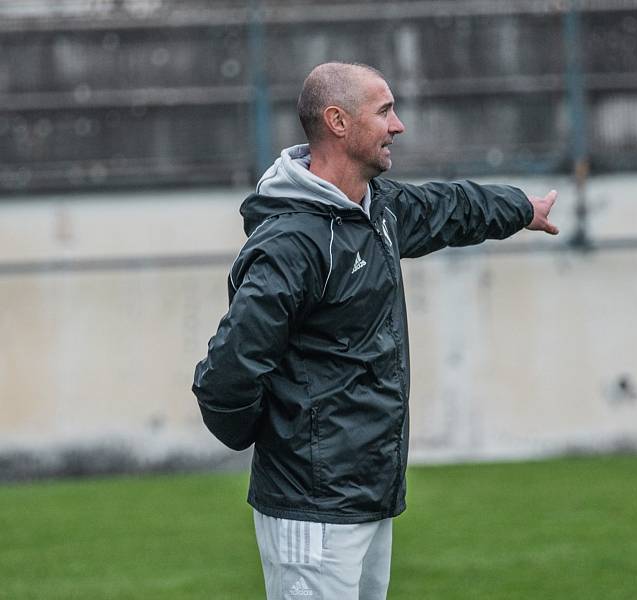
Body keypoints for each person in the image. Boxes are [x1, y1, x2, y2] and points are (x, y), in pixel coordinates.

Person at [192, 62, 559, 600]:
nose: (398, 125)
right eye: (385, 110)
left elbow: (448, 209)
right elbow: (227, 375)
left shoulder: (375, 211)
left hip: (369, 496)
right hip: (313, 511)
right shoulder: (292, 243)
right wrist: (282, 442)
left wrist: (520, 208)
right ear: (338, 121)